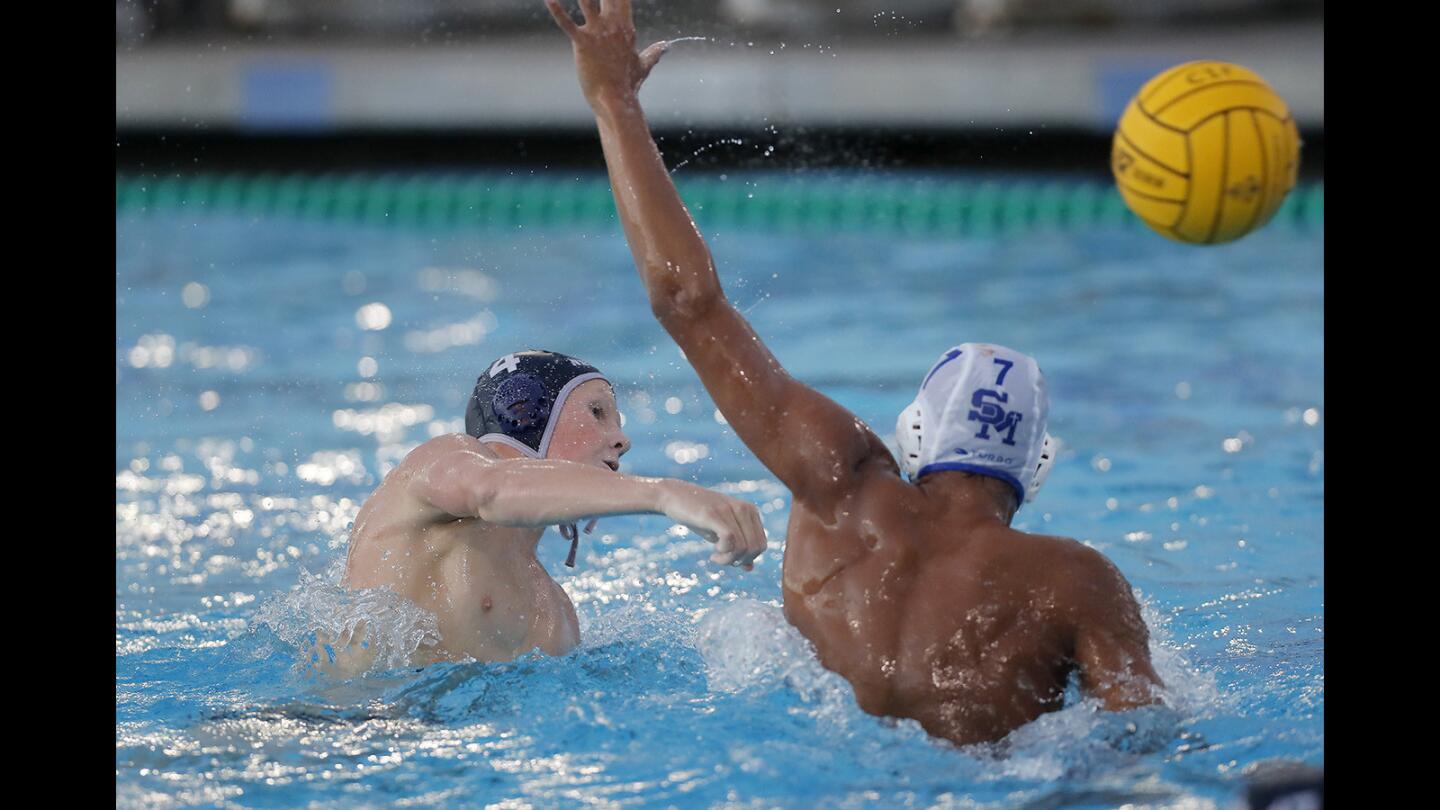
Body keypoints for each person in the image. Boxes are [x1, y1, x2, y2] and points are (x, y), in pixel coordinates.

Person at [545, 0, 1164, 746]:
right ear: (1036, 467)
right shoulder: (1077, 580)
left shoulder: (838, 482)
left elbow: (687, 303)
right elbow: (1142, 741)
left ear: (913, 436)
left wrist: (613, 101)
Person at [339, 349, 767, 668]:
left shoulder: (555, 612)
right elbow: (491, 490)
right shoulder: (442, 460)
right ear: (524, 414)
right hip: (343, 737)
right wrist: (665, 494)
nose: (622, 439)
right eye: (597, 412)